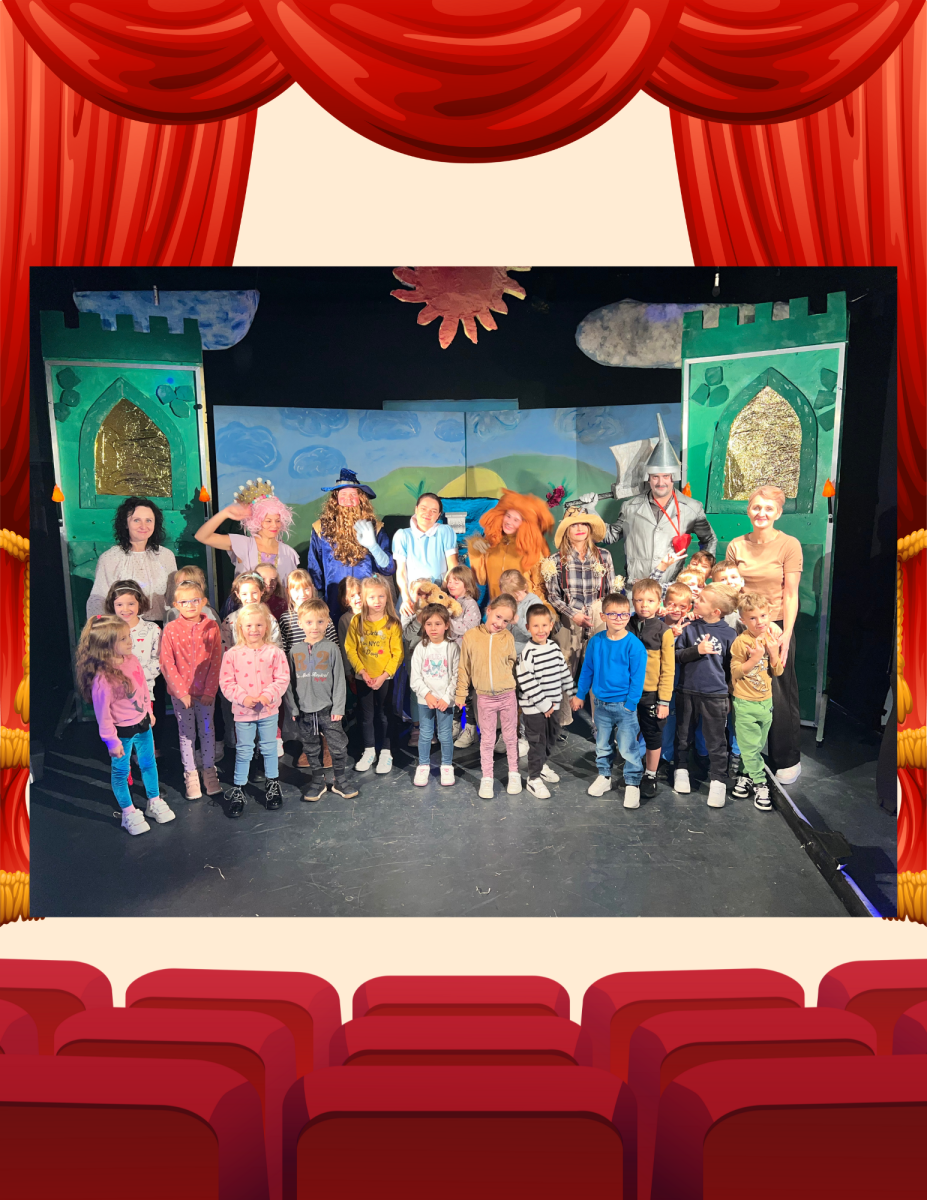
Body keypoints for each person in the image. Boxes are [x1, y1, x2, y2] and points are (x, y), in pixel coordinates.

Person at [725, 485, 803, 784]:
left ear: (778, 513)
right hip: (744, 626)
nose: (762, 513)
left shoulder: (789, 545)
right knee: (745, 688)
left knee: (779, 691)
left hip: (777, 625)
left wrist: (785, 634)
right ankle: (748, 757)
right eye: (757, 507)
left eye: (769, 508)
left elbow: (791, 594)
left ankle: (787, 758)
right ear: (749, 510)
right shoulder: (736, 545)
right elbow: (732, 590)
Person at [76, 615, 174, 836]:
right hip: (122, 732)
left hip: (143, 725)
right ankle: (128, 812)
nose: (130, 641)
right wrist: (111, 741)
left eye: (128, 636)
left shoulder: (132, 660)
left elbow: (142, 688)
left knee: (149, 764)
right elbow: (103, 715)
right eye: (123, 638)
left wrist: (148, 711)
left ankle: (154, 800)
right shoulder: (103, 678)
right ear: (106, 644)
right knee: (121, 772)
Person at [595, 414, 717, 585]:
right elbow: (610, 536)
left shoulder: (692, 508)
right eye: (655, 477)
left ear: (673, 477)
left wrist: (702, 571)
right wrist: (590, 511)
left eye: (666, 476)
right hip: (637, 588)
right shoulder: (630, 507)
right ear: (648, 478)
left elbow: (709, 539)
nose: (661, 482)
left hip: (674, 590)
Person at [540, 499, 616, 728]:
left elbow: (611, 591)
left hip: (598, 614)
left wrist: (605, 616)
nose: (580, 528)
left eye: (584, 524)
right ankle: (562, 720)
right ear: (566, 530)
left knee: (599, 669)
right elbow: (553, 596)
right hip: (569, 616)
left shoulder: (604, 556)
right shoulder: (555, 561)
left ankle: (600, 723)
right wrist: (572, 614)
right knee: (564, 668)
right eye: (574, 525)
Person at [571, 593, 647, 807]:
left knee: (628, 748)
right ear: (603, 616)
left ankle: (632, 783)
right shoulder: (596, 642)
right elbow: (587, 670)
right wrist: (580, 694)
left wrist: (631, 704)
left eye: (623, 614)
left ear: (629, 615)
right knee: (602, 744)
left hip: (624, 706)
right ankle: (604, 776)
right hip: (601, 705)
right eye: (613, 614)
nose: (618, 618)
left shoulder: (634, 645)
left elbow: (638, 678)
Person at [218, 602, 290, 818]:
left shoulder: (275, 652)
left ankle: (272, 783)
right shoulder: (232, 654)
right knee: (244, 750)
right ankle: (239, 788)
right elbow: (226, 682)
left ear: (266, 627)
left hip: (268, 711)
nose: (254, 630)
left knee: (269, 748)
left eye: (259, 625)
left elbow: (282, 679)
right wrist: (243, 698)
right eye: (249, 625)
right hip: (243, 713)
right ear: (241, 628)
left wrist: (267, 695)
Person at [285, 598, 358, 804]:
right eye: (309, 622)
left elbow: (339, 680)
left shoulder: (332, 648)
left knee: (337, 746)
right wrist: (293, 707)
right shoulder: (295, 651)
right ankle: (317, 781)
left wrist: (338, 707)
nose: (314, 627)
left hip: (328, 710)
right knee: (311, 747)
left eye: (320, 621)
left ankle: (340, 780)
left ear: (327, 622)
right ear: (300, 623)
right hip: (305, 711)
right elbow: (289, 682)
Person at [672, 584, 737, 808]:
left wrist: (728, 695)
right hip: (687, 690)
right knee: (683, 735)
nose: (695, 601)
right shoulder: (689, 628)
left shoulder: (729, 634)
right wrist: (696, 651)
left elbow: (731, 668)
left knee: (717, 740)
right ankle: (681, 770)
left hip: (715, 695)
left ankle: (718, 780)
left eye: (701, 600)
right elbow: (676, 655)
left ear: (716, 611)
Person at [159, 579, 223, 801]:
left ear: (203, 601)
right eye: (184, 602)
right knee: (187, 734)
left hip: (205, 694)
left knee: (207, 730)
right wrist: (181, 692)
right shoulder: (171, 629)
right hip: (182, 695)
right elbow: (167, 663)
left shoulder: (211, 627)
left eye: (195, 600)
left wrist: (210, 691)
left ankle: (209, 771)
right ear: (176, 605)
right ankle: (191, 774)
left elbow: (216, 660)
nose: (190, 605)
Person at [307, 468, 396, 624]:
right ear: (335, 499)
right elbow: (315, 571)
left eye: (353, 495)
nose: (348, 500)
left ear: (360, 498)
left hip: (368, 602)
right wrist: (318, 603)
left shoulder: (374, 528)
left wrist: (374, 547)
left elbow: (388, 568)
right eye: (343, 495)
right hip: (333, 603)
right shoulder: (320, 529)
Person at [455, 594, 520, 799]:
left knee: (510, 737)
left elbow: (511, 661)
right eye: (498, 617)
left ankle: (514, 773)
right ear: (489, 610)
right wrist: (461, 693)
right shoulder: (471, 636)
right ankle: (487, 777)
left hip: (507, 696)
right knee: (487, 739)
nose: (500, 623)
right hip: (484, 698)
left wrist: (505, 679)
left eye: (506, 621)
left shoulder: (508, 637)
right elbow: (464, 667)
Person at [344, 574, 403, 775]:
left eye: (381, 596)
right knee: (366, 716)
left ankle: (386, 752)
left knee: (385, 714)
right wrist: (361, 671)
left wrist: (384, 675)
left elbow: (397, 653)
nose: (377, 601)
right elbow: (350, 648)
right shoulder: (357, 621)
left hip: (385, 678)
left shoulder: (392, 623)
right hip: (364, 678)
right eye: (372, 597)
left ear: (387, 597)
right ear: (364, 598)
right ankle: (369, 750)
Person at [730, 593, 784, 812]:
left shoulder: (771, 637)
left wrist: (773, 653)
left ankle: (744, 775)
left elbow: (777, 671)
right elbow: (735, 672)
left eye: (763, 616)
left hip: (766, 702)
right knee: (750, 747)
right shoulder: (741, 642)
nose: (759, 622)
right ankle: (761, 784)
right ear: (743, 620)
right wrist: (754, 658)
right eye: (752, 618)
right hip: (745, 703)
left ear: (769, 614)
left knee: (754, 747)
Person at [86, 497, 178, 622]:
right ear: (125, 523)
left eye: (148, 520)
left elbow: (175, 596)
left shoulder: (166, 556)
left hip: (160, 628)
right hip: (123, 628)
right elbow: (98, 599)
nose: (143, 526)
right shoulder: (109, 558)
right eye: (136, 520)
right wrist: (101, 628)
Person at [194, 477, 300, 585]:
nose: (274, 525)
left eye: (278, 521)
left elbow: (291, 587)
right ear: (257, 521)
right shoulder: (244, 544)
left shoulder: (288, 552)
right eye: (268, 521)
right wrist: (225, 513)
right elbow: (202, 536)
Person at [515, 604, 573, 799]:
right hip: (535, 709)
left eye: (544, 625)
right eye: (535, 626)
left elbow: (563, 672)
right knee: (537, 742)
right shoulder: (528, 653)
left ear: (551, 626)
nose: (541, 630)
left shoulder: (554, 648)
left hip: (553, 707)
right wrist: (544, 705)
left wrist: (573, 694)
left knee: (550, 739)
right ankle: (533, 779)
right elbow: (527, 682)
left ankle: (541, 765)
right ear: (528, 627)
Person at [628, 579, 675, 799]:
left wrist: (663, 701)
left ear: (659, 603)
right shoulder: (625, 625)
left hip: (651, 695)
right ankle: (631, 770)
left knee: (653, 735)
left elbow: (668, 669)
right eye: (639, 600)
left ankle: (650, 774)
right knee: (627, 733)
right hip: (627, 693)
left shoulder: (664, 632)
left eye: (649, 600)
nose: (644, 605)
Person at [466, 490, 554, 600]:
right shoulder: (492, 544)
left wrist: (534, 608)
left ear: (525, 525)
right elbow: (481, 579)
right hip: (498, 607)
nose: (509, 522)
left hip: (524, 608)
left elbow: (540, 587)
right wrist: (475, 552)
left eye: (516, 520)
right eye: (508, 516)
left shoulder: (533, 549)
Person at [410, 603, 460, 788]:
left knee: (445, 735)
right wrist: (427, 695)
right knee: (425, 734)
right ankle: (423, 765)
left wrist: (447, 698)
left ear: (446, 625)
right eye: (429, 624)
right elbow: (415, 677)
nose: (433, 628)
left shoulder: (452, 648)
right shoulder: (420, 648)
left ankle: (446, 766)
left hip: (446, 701)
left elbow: (457, 675)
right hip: (426, 701)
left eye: (437, 624)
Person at [394, 493, 460, 614]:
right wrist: (406, 598)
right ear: (416, 509)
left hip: (438, 597)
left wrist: (439, 594)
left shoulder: (445, 532)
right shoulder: (402, 535)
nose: (428, 513)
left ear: (438, 515)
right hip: (412, 599)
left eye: (433, 511)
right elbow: (401, 572)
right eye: (423, 508)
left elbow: (453, 566)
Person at [103, 581, 160, 712]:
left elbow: (159, 660)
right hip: (115, 695)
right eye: (119, 604)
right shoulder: (108, 631)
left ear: (140, 603)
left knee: (145, 723)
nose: (125, 609)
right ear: (112, 605)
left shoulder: (153, 629)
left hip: (144, 693)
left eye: (131, 604)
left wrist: (136, 677)